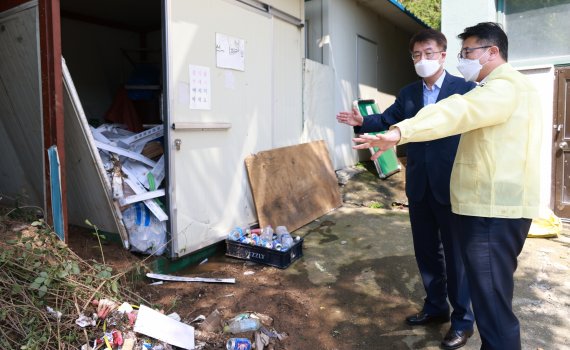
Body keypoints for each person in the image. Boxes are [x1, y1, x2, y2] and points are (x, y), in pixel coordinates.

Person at [353, 22, 542, 350]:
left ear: (492, 51)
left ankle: (461, 321)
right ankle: (437, 307)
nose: (463, 58)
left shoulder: (503, 87)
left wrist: (400, 133)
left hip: (492, 213)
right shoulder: (490, 88)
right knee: (488, 302)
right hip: (467, 201)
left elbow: (458, 111)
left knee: (493, 309)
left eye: (467, 52)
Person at [337, 29, 476, 349]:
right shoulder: (410, 92)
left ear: (443, 55)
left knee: (456, 257)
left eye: (429, 53)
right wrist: (362, 121)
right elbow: (388, 119)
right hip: (419, 185)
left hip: (452, 185)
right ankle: (436, 306)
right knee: (427, 251)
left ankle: (462, 321)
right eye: (416, 55)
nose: (422, 60)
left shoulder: (464, 90)